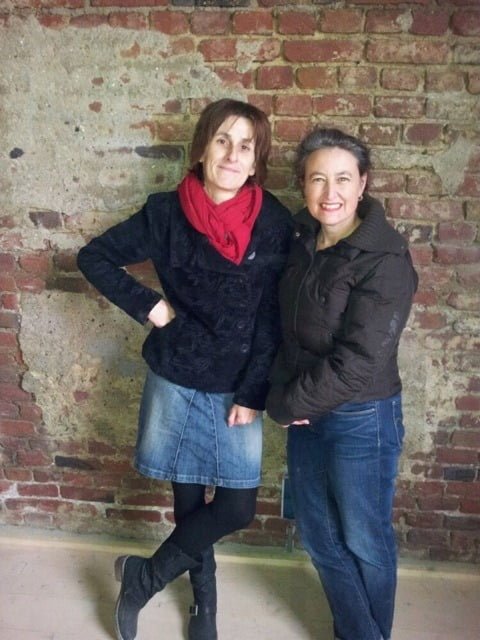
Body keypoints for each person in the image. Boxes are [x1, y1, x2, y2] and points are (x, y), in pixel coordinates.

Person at [77, 98, 292, 640]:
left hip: (237, 386)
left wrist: (254, 391)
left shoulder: (274, 222)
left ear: (257, 160)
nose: (232, 155)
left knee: (235, 507)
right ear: (200, 149)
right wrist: (150, 306)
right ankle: (204, 605)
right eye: (222, 140)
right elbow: (93, 257)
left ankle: (144, 577)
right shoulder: (165, 214)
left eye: (245, 146)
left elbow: (272, 318)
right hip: (177, 374)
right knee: (189, 504)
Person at [265, 127, 418, 640]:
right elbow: (283, 327)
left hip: (361, 417)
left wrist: (285, 405)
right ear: (303, 185)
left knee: (364, 540)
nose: (330, 192)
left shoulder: (385, 259)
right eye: (317, 179)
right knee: (318, 536)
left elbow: (358, 362)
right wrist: (286, 395)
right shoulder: (300, 240)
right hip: (307, 414)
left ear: (363, 183)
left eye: (343, 179)